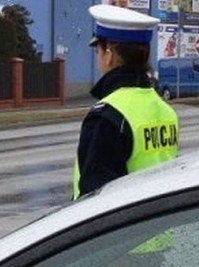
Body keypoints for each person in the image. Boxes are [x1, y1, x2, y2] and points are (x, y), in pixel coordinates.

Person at [73, 5, 179, 200]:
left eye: (98, 52)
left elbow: (96, 205)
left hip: (128, 230)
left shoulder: (106, 118)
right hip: (158, 226)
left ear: (109, 55)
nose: (98, 60)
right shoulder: (165, 110)